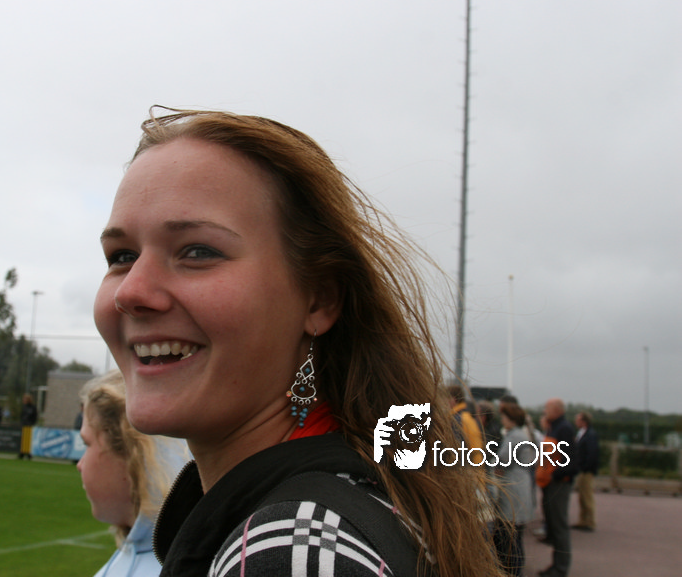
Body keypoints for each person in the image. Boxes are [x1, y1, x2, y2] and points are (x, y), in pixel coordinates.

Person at [93, 108, 503, 577]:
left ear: (319, 300)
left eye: (198, 251)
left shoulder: (293, 553)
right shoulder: (360, 494)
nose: (131, 292)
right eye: (121, 256)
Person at [77, 370, 188, 577]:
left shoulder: (177, 566)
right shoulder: (133, 554)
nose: (80, 464)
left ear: (131, 455)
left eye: (87, 444)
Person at [492, 403, 537, 576]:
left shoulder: (515, 436)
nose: (502, 420)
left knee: (510, 538)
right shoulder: (520, 434)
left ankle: (513, 573)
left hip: (514, 486)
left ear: (511, 419)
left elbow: (503, 459)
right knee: (516, 537)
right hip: (520, 482)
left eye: (504, 417)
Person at [537, 398, 577, 577]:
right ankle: (556, 565)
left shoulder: (564, 429)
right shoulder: (555, 428)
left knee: (560, 526)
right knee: (554, 525)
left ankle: (560, 568)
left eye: (547, 408)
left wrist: (555, 475)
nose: (544, 411)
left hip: (558, 483)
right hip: (550, 482)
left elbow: (570, 459)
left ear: (557, 410)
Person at [573, 411, 598, 532]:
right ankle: (583, 520)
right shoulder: (582, 433)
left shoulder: (590, 435)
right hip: (582, 469)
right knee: (582, 496)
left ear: (584, 421)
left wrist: (585, 467)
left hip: (586, 470)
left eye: (578, 420)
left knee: (587, 496)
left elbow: (591, 453)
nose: (576, 422)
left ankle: (590, 522)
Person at [19, 393, 39, 460]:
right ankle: (22, 453)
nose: (24, 400)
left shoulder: (33, 407)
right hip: (23, 425)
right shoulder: (24, 407)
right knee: (22, 440)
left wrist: (32, 423)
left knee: (28, 440)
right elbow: (22, 416)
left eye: (25, 399)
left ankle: (28, 454)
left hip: (29, 426)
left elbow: (35, 417)